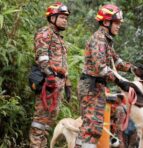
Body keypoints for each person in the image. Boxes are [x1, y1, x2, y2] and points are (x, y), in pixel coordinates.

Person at [76, 4, 142, 148]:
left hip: (96, 87)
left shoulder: (106, 41)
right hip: (91, 87)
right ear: (106, 22)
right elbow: (101, 67)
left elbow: (117, 61)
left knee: (94, 127)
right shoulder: (99, 40)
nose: (119, 26)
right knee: (91, 127)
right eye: (116, 23)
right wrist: (120, 82)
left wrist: (134, 69)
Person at [29, 2, 71, 147]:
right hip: (48, 84)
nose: (65, 20)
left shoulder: (58, 38)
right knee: (40, 121)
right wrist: (51, 78)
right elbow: (42, 59)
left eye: (66, 18)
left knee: (47, 124)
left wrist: (67, 84)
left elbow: (62, 64)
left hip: (57, 85)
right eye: (62, 17)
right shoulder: (45, 33)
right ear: (52, 18)